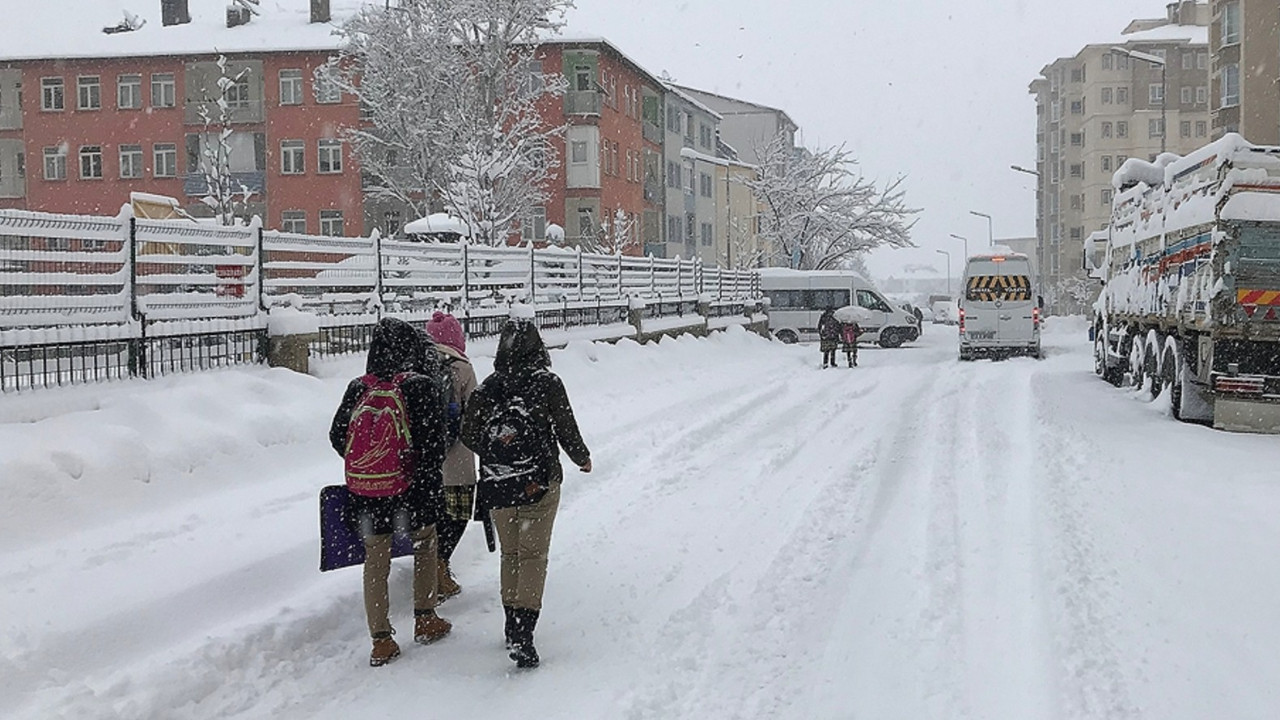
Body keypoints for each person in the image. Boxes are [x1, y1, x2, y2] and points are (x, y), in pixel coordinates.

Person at [461, 309, 591, 669]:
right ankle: (523, 632)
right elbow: (566, 428)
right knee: (533, 556)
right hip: (539, 481)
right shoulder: (547, 383)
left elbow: (468, 432)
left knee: (511, 554)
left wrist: (497, 450)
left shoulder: (490, 386)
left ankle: (510, 624)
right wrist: (582, 457)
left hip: (499, 483)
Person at [329, 317, 452, 667]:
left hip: (367, 493)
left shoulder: (358, 387)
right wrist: (413, 473)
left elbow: (338, 435)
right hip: (411, 491)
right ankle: (425, 617)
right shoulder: (419, 385)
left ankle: (381, 640)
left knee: (375, 560)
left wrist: (370, 462)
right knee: (426, 544)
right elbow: (434, 444)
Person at [423, 311, 477, 601]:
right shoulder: (462, 368)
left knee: (432, 517)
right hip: (457, 459)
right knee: (456, 516)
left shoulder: (418, 365)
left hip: (426, 460)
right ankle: (441, 566)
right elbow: (476, 412)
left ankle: (431, 569)